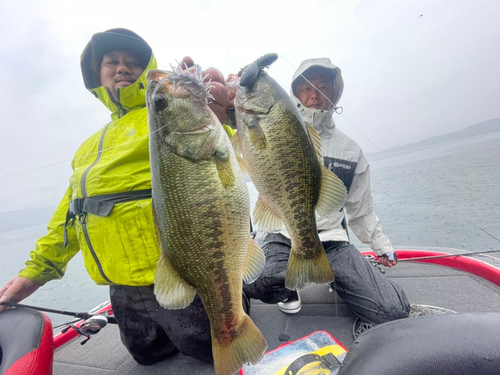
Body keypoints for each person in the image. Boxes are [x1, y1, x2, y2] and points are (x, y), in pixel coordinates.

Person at [0, 28, 242, 366]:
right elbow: (71, 217)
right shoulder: (87, 148)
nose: (121, 68)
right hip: (122, 293)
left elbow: (219, 153)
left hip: (180, 273)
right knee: (147, 358)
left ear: (148, 71)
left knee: (212, 350)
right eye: (111, 61)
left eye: (133, 63)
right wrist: (36, 272)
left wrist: (217, 110)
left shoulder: (163, 115)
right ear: (96, 74)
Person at [243, 58, 411, 324]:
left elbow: (360, 208)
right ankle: (288, 288)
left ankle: (336, 276)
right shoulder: (267, 125)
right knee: (256, 280)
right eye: (307, 88)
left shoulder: (350, 150)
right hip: (281, 231)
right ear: (295, 94)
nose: (314, 95)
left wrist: (381, 245)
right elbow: (236, 122)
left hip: (332, 238)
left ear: (335, 93)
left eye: (323, 87)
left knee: (392, 311)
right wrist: (245, 87)